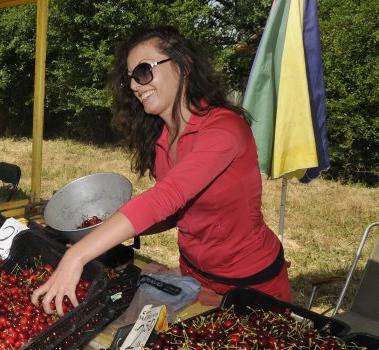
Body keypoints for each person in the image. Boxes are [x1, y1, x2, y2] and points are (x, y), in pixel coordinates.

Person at [31, 25, 292, 316]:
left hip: (251, 285)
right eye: (129, 79)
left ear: (184, 65)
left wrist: (78, 256)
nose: (134, 86)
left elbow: (167, 196)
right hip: (194, 276)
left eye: (143, 71)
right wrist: (95, 234)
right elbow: (175, 212)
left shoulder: (225, 128)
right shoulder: (163, 140)